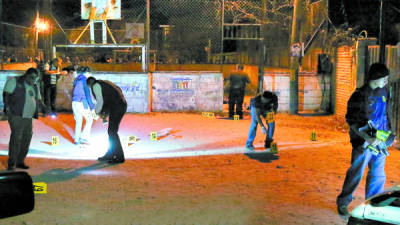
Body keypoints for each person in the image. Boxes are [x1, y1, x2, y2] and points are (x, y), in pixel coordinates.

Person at [336, 63, 395, 216]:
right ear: (376, 78)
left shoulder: (384, 91)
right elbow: (351, 119)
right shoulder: (359, 95)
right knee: (356, 173)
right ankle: (343, 202)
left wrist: (389, 134)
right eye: (384, 78)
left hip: (380, 141)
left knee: (378, 174)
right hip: (363, 143)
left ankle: (373, 205)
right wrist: (366, 138)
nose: (386, 81)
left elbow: (385, 114)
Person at [2, 68, 47, 170]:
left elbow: (38, 100)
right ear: (26, 75)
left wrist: (45, 108)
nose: (33, 80)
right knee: (16, 139)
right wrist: (7, 108)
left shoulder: (35, 86)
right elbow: (6, 95)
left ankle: (20, 161)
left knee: (26, 139)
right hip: (16, 115)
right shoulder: (14, 81)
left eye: (36, 78)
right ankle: (11, 163)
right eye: (32, 78)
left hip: (28, 117)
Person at [87, 77, 127, 164]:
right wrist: (104, 114)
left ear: (90, 84)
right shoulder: (103, 83)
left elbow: (100, 101)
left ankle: (119, 157)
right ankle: (110, 154)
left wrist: (96, 113)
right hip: (119, 106)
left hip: (117, 107)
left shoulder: (96, 86)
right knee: (111, 132)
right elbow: (109, 97)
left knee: (112, 132)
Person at [71, 66, 96, 145]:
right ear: (87, 73)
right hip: (82, 102)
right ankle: (83, 137)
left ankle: (76, 139)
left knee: (79, 121)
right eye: (90, 74)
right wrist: (92, 107)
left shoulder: (77, 79)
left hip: (74, 102)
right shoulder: (85, 80)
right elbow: (87, 95)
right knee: (90, 119)